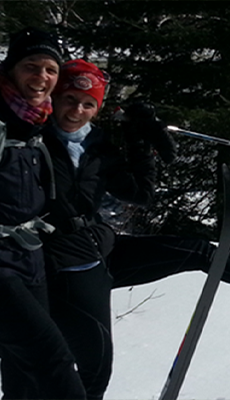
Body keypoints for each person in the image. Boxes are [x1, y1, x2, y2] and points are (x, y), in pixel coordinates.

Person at [40, 59, 230, 399]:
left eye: (88, 104)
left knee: (198, 251)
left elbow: (140, 194)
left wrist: (140, 143)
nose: (76, 111)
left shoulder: (96, 144)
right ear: (54, 98)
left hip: (99, 248)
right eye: (69, 99)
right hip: (66, 265)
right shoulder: (31, 140)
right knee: (91, 370)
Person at [0, 27, 87, 399]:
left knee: (24, 374)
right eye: (31, 66)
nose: (41, 77)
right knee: (52, 359)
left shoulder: (37, 122)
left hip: (30, 256)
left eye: (50, 69)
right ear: (12, 71)